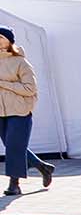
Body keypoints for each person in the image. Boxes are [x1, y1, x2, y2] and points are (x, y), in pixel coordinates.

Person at [0, 28, 54, 197]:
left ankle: (14, 184)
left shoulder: (21, 62)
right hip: (1, 111)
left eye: (0, 37)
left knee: (14, 147)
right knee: (13, 145)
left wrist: (4, 84)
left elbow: (30, 89)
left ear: (10, 40)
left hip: (20, 111)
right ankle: (42, 167)